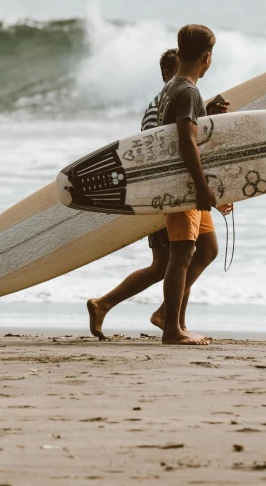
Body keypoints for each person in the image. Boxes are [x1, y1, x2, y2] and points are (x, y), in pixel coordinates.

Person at [86, 44, 229, 341]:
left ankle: (170, 317)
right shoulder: (157, 107)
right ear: (166, 72)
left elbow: (194, 140)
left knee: (204, 251)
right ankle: (114, 306)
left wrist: (207, 115)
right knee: (170, 262)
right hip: (168, 191)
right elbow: (165, 151)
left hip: (187, 189)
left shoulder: (184, 99)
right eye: (175, 69)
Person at [155, 24, 228, 345]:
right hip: (182, 184)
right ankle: (172, 330)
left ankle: (174, 322)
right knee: (182, 254)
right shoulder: (187, 91)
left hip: (184, 181)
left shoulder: (174, 87)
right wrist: (201, 187)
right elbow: (186, 142)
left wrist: (206, 115)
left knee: (207, 248)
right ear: (207, 58)